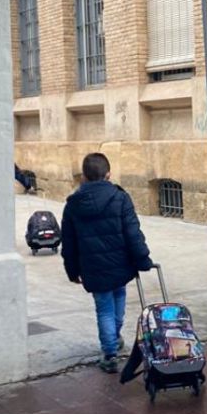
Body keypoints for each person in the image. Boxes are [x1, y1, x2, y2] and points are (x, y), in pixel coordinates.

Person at [61, 152, 153, 374]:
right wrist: (143, 259)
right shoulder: (120, 198)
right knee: (119, 297)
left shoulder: (73, 204)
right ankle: (113, 337)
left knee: (103, 307)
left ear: (84, 176)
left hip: (92, 267)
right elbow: (133, 232)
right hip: (120, 263)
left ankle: (110, 352)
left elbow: (69, 242)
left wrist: (72, 270)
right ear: (108, 174)